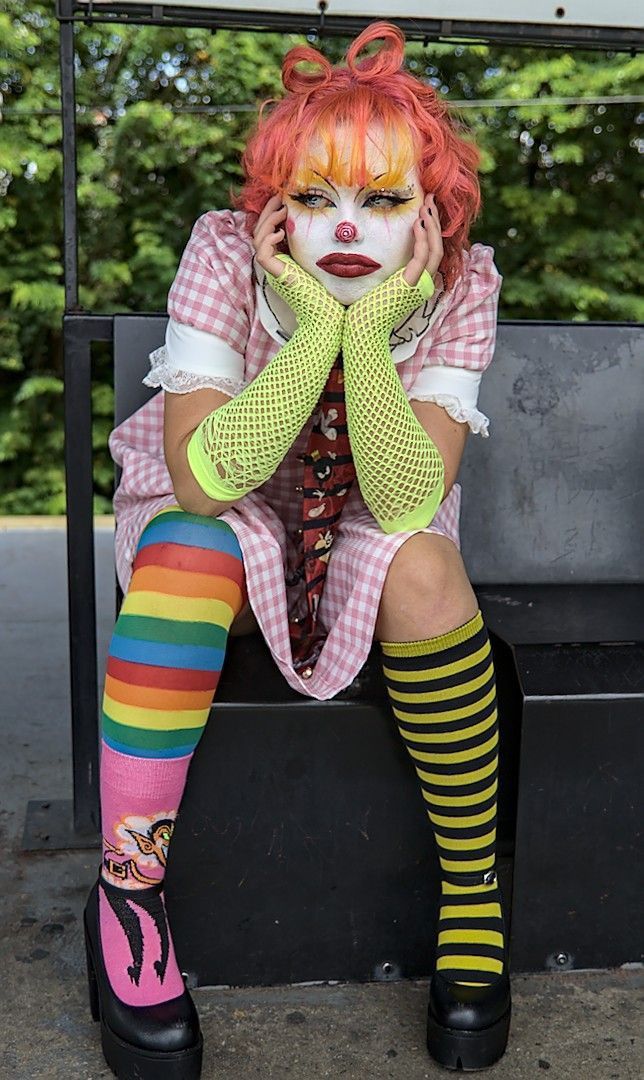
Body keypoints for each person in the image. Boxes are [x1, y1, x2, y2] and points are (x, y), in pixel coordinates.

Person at [83, 21, 508, 1079]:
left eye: (381, 198)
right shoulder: (224, 254)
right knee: (189, 546)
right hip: (223, 508)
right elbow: (200, 480)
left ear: (430, 208)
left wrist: (367, 336)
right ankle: (129, 898)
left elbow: (410, 493)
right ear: (275, 209)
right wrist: (313, 324)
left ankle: (473, 898)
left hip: (371, 507)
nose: (348, 226)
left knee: (420, 562)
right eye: (316, 198)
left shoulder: (460, 285)